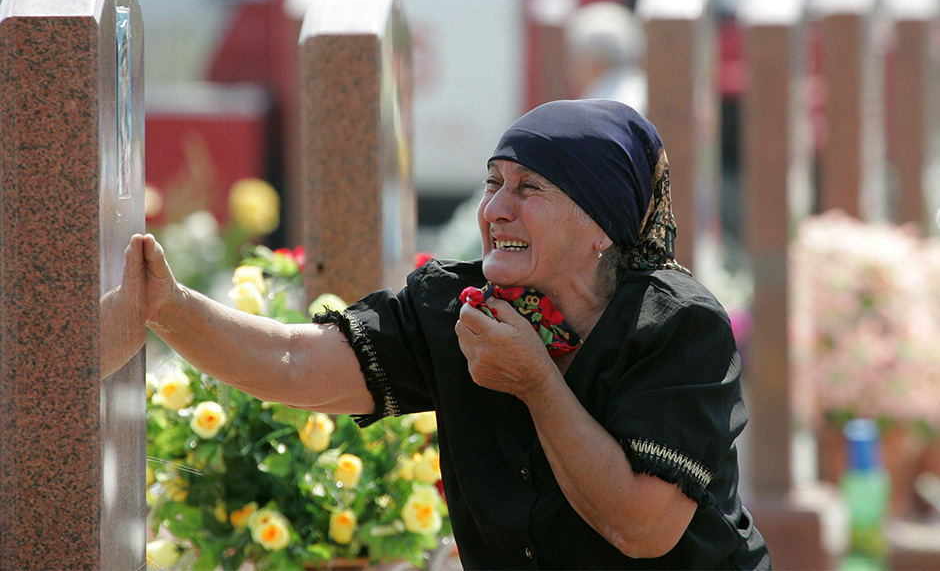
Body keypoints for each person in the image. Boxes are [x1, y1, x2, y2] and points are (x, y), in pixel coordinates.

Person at [130, 99, 770, 569]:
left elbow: (642, 528)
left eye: (529, 188)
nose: (495, 210)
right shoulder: (455, 306)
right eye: (492, 183)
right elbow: (296, 362)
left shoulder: (678, 325)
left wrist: (536, 384)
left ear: (602, 223)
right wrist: (170, 306)